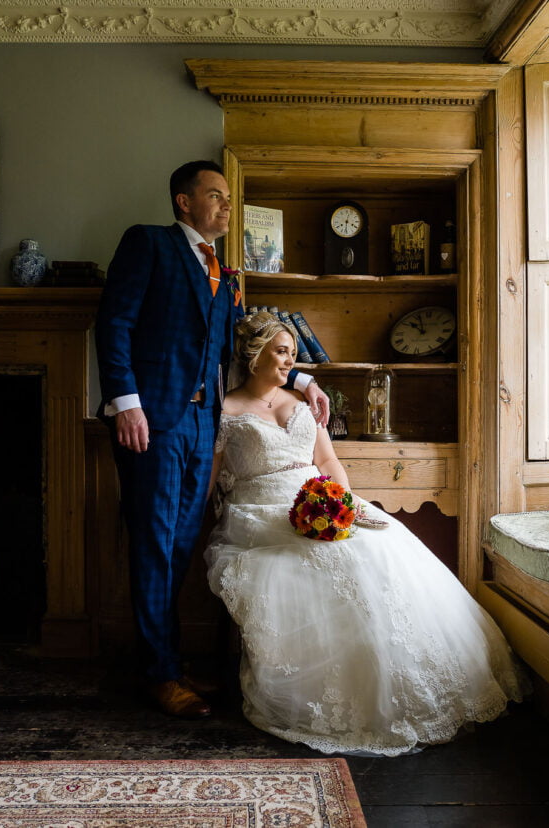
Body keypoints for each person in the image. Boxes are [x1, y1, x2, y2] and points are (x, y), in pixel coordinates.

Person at [204, 312, 526, 756]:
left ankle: (404, 680)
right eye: (282, 352)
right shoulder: (225, 412)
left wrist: (344, 504)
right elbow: (210, 479)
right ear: (253, 354)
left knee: (381, 548)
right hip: (258, 511)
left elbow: (329, 463)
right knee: (314, 565)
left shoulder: (303, 404)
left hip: (320, 498)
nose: (289, 363)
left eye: (293, 355)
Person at [95, 161, 328, 720]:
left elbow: (245, 346)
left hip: (204, 427)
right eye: (216, 196)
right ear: (183, 202)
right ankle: (160, 675)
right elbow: (114, 323)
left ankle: (170, 665)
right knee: (154, 543)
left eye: (228, 198)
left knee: (179, 546)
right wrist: (126, 402)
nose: (226, 206)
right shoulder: (147, 244)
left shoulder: (226, 273)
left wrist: (301, 378)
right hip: (153, 421)